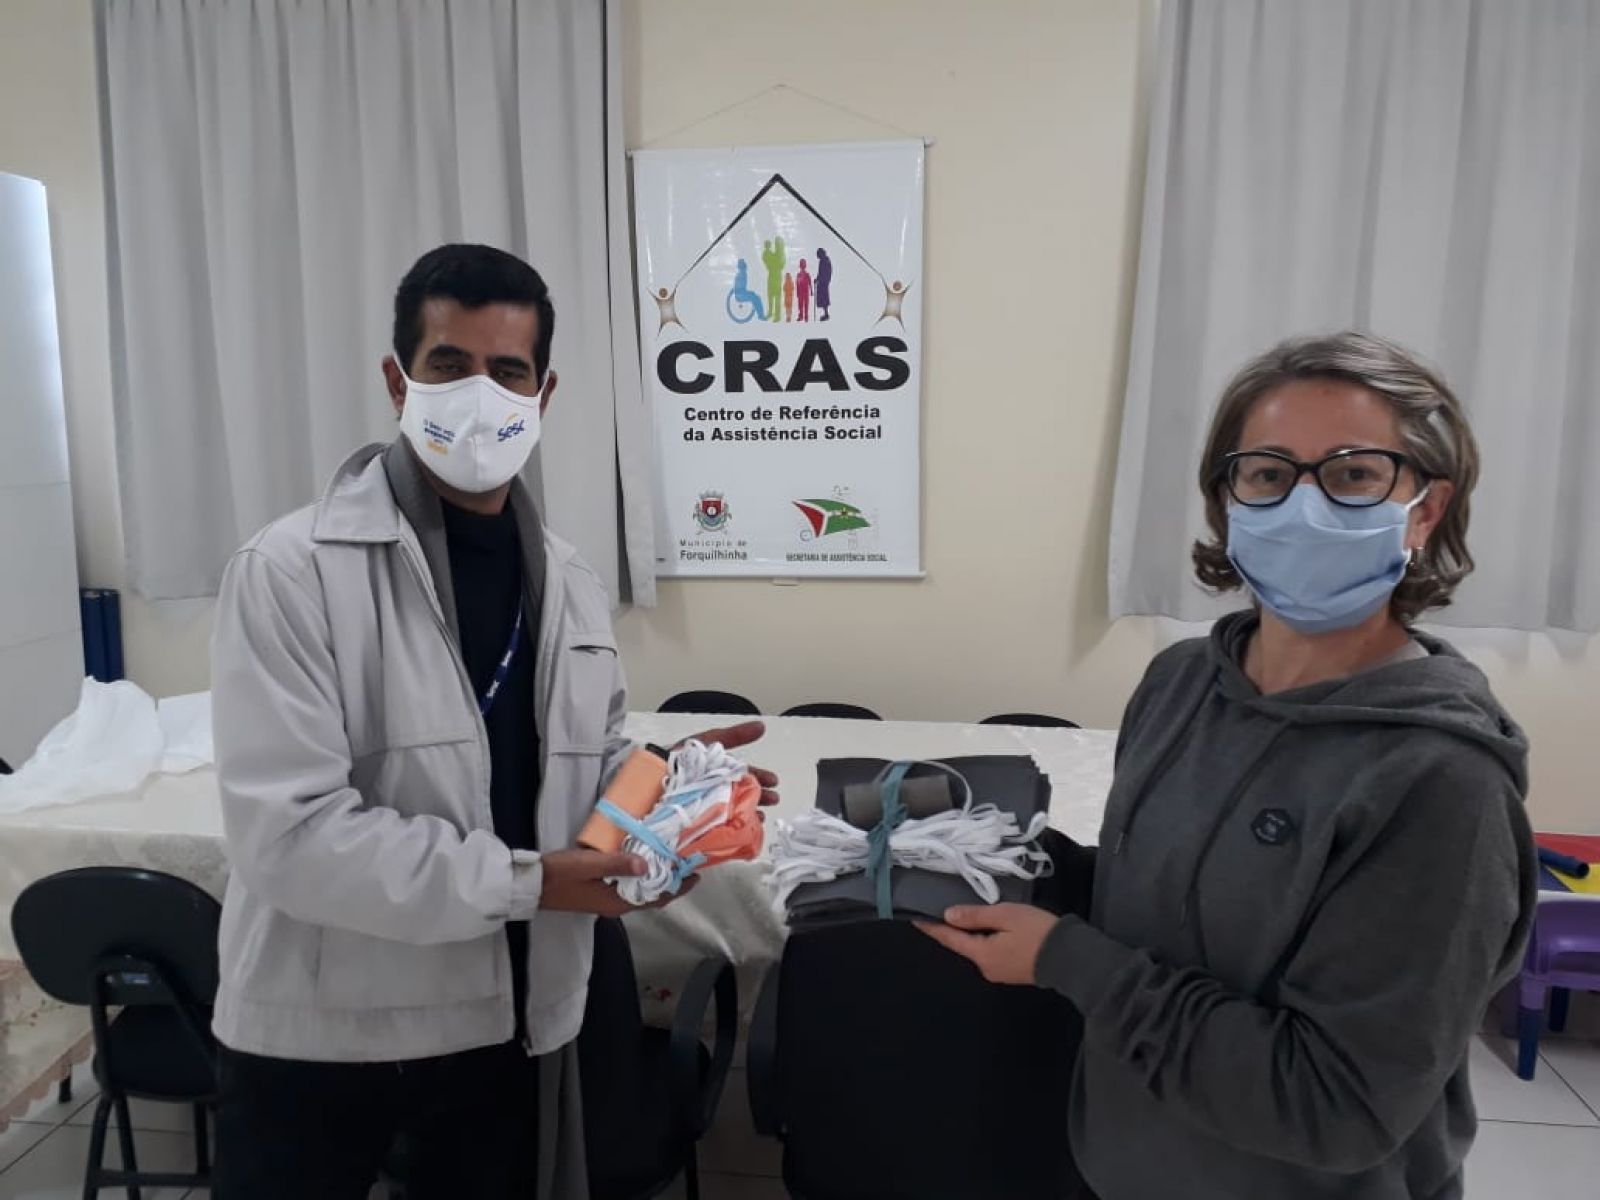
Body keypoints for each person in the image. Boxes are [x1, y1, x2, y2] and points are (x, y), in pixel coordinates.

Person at [209, 244, 776, 1199]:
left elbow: (578, 758)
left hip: (505, 1022)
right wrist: (528, 882)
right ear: (399, 381)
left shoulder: (572, 580)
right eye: (450, 364)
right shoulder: (291, 571)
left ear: (542, 396)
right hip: (326, 1031)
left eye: (507, 371)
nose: (481, 394)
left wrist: (666, 786)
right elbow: (289, 839)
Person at [923, 331, 1536, 1200]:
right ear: (1228, 500)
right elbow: (1168, 908)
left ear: (1425, 510)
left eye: (1355, 474)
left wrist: (1067, 960)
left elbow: (1337, 1107)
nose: (1306, 505)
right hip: (1124, 1165)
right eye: (1269, 474)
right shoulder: (1182, 682)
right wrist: (1003, 859)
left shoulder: (1440, 781)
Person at [762, 236, 786, 323]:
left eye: (777, 244)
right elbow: (767, 260)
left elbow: (778, 264)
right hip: (773, 276)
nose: (776, 245)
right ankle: (771, 313)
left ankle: (777, 315)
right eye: (776, 244)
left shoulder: (780, 254)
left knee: (776, 296)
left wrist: (768, 250)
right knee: (771, 295)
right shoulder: (775, 254)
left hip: (776, 276)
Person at [815, 246, 833, 320]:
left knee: (824, 298)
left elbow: (823, 272)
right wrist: (817, 279)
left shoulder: (824, 261)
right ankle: (826, 313)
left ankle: (826, 314)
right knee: (823, 298)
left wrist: (820, 279)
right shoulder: (824, 260)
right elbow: (820, 272)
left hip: (824, 282)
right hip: (823, 282)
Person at [797, 257, 813, 321]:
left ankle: (806, 316)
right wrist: (797, 292)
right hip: (801, 292)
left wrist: (811, 291)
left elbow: (810, 283)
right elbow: (797, 284)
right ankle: (801, 316)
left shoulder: (807, 274)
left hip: (805, 292)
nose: (802, 267)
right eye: (801, 265)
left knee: (806, 304)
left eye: (803, 265)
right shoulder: (798, 275)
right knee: (800, 304)